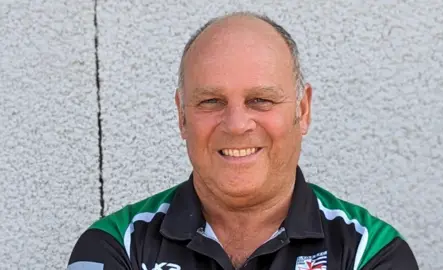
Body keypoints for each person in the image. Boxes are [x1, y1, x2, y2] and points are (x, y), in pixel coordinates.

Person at [67, 12, 418, 270]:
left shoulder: (370, 250)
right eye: (211, 101)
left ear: (303, 110)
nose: (236, 125)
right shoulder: (116, 245)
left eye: (260, 100)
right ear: (182, 116)